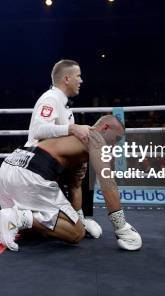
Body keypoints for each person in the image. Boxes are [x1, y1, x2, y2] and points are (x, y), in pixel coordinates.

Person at [0, 115, 142, 252]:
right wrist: (122, 228)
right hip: (33, 172)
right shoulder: (95, 138)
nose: (114, 146)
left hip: (12, 164)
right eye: (116, 139)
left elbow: (74, 186)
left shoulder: (73, 138)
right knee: (75, 234)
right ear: (105, 127)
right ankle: (17, 216)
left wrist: (79, 219)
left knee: (30, 231)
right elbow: (108, 183)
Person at [25, 59, 101, 238]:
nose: (81, 80)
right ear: (67, 79)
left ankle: (80, 217)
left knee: (84, 157)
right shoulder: (50, 99)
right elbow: (38, 129)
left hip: (51, 166)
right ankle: (22, 217)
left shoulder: (63, 103)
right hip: (36, 168)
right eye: (78, 76)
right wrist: (72, 128)